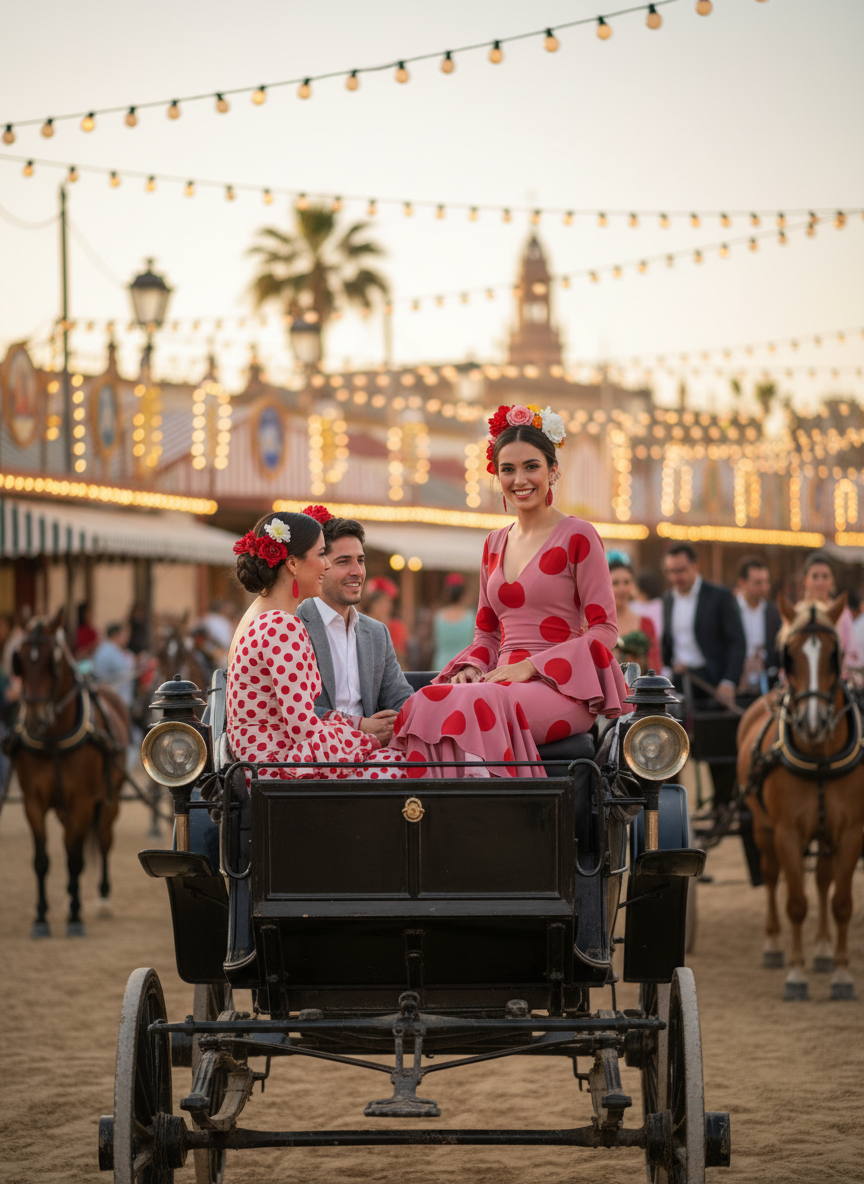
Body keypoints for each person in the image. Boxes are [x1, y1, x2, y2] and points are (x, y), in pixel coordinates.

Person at [226, 512, 542, 781]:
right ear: (293, 564)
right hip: (283, 766)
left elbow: (398, 699)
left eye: (360, 560)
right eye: (329, 558)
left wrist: (432, 716)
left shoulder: (369, 631)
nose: (328, 567)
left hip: (286, 757)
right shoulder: (285, 624)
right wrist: (364, 736)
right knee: (428, 765)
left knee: (438, 745)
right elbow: (304, 727)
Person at [432, 404, 631, 744]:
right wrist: (472, 668)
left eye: (531, 466)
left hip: (562, 687)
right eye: (508, 469)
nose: (520, 480)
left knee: (482, 707)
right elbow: (486, 633)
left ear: (553, 471)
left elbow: (605, 630)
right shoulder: (494, 543)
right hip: (499, 683)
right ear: (497, 477)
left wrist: (531, 667)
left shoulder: (578, 535)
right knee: (426, 703)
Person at [295, 506, 413, 746]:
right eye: (344, 562)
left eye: (360, 560)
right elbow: (294, 710)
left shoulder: (377, 632)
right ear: (320, 565)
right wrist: (359, 726)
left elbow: (400, 699)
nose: (357, 571)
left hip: (374, 752)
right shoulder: (295, 625)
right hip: (315, 754)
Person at [661, 543, 746, 808]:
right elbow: (667, 644)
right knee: (669, 748)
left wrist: (729, 682)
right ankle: (673, 808)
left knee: (718, 751)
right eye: (671, 571)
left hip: (712, 683)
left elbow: (737, 642)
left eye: (681, 570)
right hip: (679, 684)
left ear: (695, 566)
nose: (676, 577)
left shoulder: (719, 596)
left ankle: (722, 806)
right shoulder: (667, 599)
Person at [799, 552, 862, 680]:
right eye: (815, 576)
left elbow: (851, 651)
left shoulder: (842, 613)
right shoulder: (797, 613)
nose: (820, 582)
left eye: (825, 576)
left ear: (832, 581)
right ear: (805, 580)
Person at [735, 556, 782, 696]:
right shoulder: (730, 610)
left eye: (766, 582)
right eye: (758, 583)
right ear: (742, 582)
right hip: (736, 688)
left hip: (766, 689)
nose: (764, 587)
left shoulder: (774, 613)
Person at [609, 559, 661, 674]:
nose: (622, 589)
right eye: (616, 583)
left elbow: (655, 667)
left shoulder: (645, 623)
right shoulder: (597, 624)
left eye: (626, 582)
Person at [433, 574, 477, 670]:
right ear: (463, 593)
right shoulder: (471, 617)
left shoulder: (439, 616)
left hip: (441, 666)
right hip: (464, 666)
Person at [362, 578, 409, 667]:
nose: (385, 607)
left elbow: (400, 656)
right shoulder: (361, 624)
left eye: (388, 602)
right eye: (380, 602)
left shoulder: (396, 626)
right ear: (371, 604)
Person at [92, 623, 137, 709]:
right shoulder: (105, 652)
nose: (126, 638)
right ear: (115, 635)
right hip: (112, 705)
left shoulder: (116, 650)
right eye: (123, 634)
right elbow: (100, 679)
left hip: (121, 703)